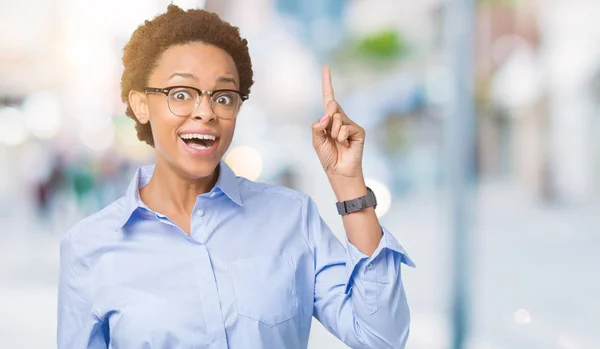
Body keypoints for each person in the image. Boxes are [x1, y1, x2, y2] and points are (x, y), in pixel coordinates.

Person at [57, 5, 414, 349]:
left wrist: (348, 181)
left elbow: (382, 336)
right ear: (140, 105)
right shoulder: (88, 248)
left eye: (224, 97)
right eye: (181, 94)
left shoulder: (292, 218)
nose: (206, 112)